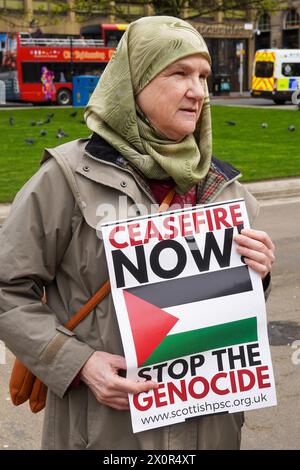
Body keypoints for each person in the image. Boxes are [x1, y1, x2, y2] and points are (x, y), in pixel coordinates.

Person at [0, 16, 275, 450]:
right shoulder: (67, 178)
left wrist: (256, 278)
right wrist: (80, 363)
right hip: (104, 432)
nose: (199, 91)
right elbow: (6, 287)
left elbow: (226, 316)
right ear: (135, 83)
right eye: (179, 73)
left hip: (210, 432)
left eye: (203, 76)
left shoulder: (225, 188)